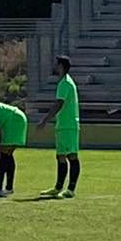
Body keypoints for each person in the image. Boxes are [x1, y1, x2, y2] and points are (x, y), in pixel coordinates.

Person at [44, 56, 81, 198]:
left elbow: (59, 104)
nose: (54, 66)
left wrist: (45, 120)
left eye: (56, 64)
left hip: (68, 125)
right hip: (63, 125)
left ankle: (70, 189)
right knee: (60, 156)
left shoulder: (65, 83)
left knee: (71, 156)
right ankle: (58, 187)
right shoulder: (63, 82)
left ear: (61, 66)